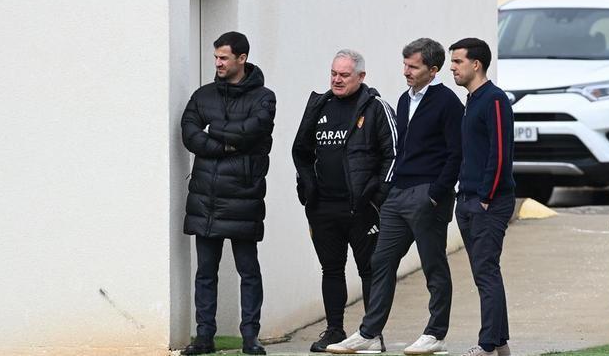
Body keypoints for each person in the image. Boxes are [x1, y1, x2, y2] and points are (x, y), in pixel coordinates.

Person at [327, 38, 463, 355]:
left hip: (428, 195)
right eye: (404, 65)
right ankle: (370, 334)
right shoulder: (404, 100)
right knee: (380, 262)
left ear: (433, 69)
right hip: (399, 195)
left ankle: (435, 333)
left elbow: (456, 154)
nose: (406, 72)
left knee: (433, 265)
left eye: (413, 66)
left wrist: (435, 193)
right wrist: (391, 191)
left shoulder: (448, 103)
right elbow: (401, 150)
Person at [292, 49, 398, 352]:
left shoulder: (376, 108)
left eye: (344, 75)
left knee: (369, 270)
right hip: (323, 208)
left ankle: (371, 334)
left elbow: (393, 155)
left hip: (363, 209)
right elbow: (300, 150)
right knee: (332, 269)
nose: (337, 80)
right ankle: (334, 331)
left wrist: (377, 198)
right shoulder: (319, 105)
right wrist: (306, 187)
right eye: (333, 74)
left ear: (361, 77)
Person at [179, 32, 276, 356]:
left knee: (248, 270)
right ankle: (204, 337)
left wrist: (213, 134)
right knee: (205, 272)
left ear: (242, 59)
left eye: (223, 58)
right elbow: (190, 134)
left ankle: (251, 338)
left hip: (244, 196)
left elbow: (254, 132)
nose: (217, 63)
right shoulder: (202, 95)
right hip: (205, 197)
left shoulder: (264, 97)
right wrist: (228, 144)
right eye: (216, 57)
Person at [449, 38, 515, 356]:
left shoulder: (495, 100)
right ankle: (500, 344)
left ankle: (487, 345)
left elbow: (500, 154)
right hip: (467, 199)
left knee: (486, 269)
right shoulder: (471, 100)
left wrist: (486, 196)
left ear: (476, 64)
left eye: (458, 61)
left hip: (488, 202)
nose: (452, 67)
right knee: (484, 272)